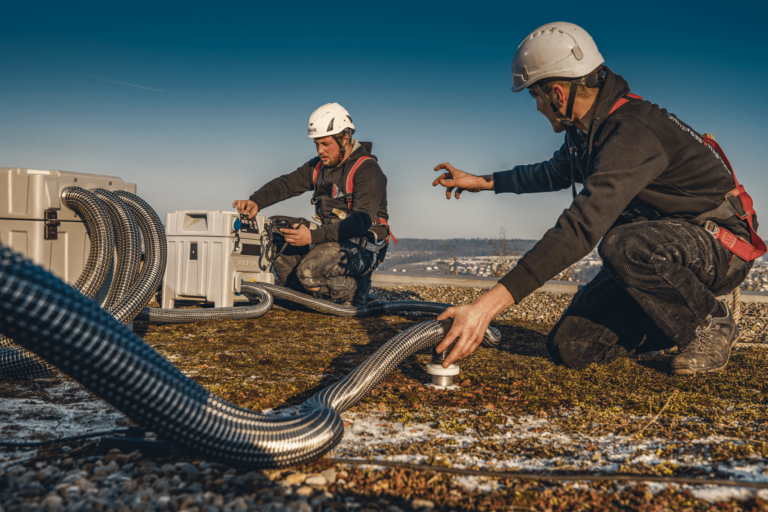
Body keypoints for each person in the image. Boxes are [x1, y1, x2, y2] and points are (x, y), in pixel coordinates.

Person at [431, 22, 764, 375]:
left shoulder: (632, 132)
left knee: (622, 245)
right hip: (664, 246)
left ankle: (710, 324)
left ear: (557, 94)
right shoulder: (587, 133)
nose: (537, 107)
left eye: (535, 97)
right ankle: (675, 321)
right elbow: (553, 173)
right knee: (572, 346)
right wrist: (483, 182)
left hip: (720, 245)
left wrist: (485, 308)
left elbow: (580, 228)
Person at [233, 103, 392, 306]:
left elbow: (360, 222)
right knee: (273, 230)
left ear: (344, 137)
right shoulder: (319, 166)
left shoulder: (367, 171)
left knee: (309, 272)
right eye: (317, 144)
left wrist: (312, 236)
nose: (320, 150)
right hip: (330, 239)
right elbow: (286, 184)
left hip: (363, 247)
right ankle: (309, 295)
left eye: (326, 144)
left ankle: (356, 289)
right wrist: (256, 200)